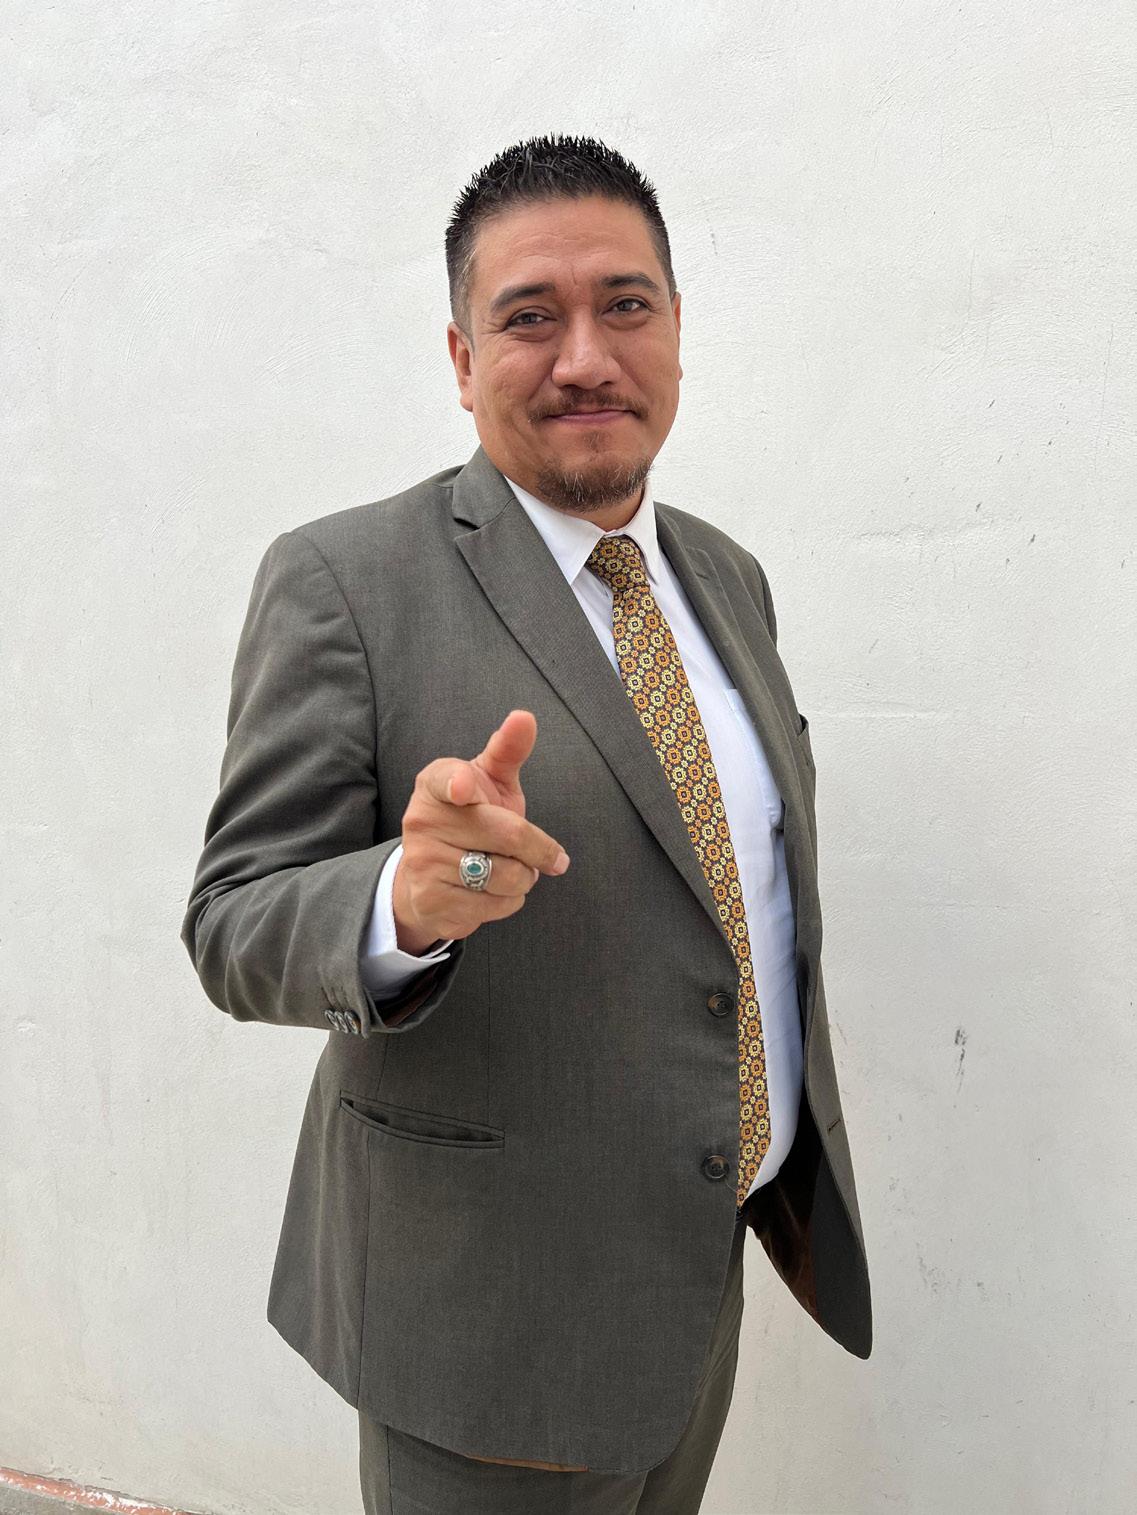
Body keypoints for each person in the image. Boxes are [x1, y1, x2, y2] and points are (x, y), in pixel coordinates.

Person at [180, 134, 872, 1515]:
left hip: (698, 1269)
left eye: (624, 305)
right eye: (529, 317)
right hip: (484, 1325)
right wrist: (398, 903)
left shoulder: (727, 578)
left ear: (676, 329)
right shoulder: (345, 582)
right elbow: (233, 921)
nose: (584, 358)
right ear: (461, 358)